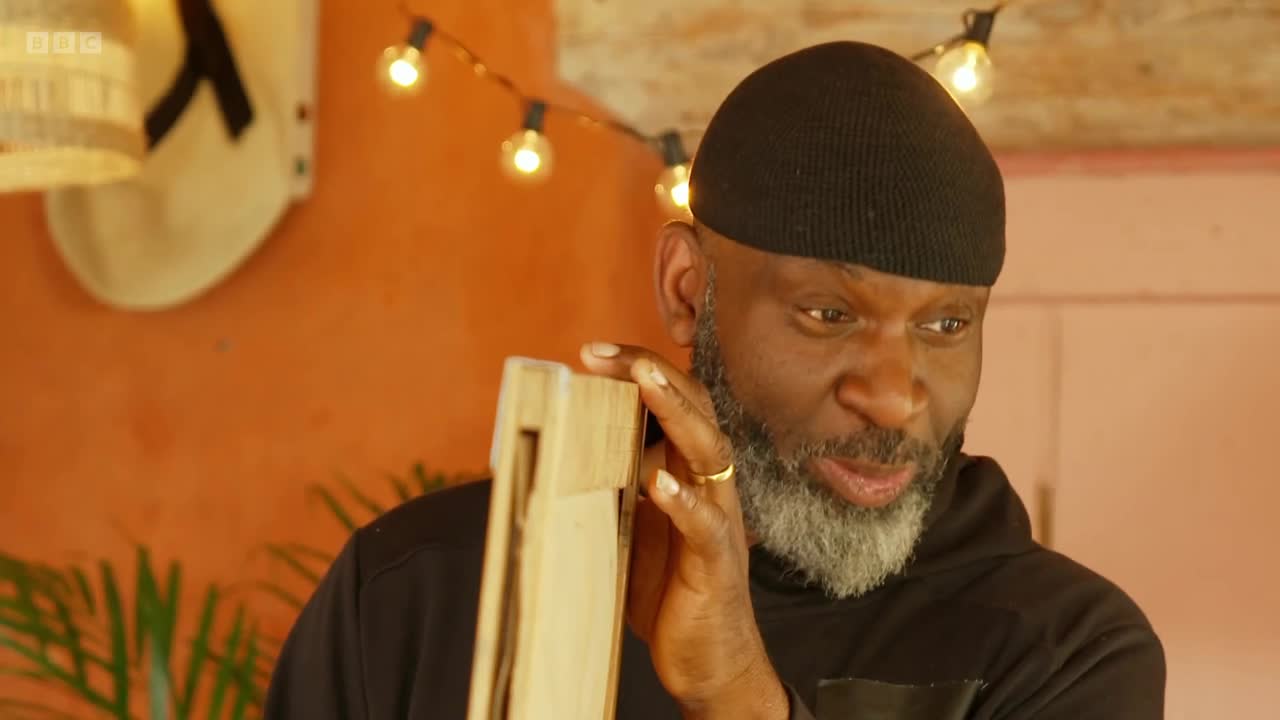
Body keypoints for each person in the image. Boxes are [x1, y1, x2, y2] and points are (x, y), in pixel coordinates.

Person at [263, 41, 1165, 719]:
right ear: (689, 290)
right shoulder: (418, 588)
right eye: (828, 314)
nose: (895, 396)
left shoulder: (1063, 651)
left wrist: (736, 692)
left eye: (945, 325)